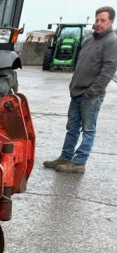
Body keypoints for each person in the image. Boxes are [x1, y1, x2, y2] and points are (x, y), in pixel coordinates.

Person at [44, 6, 117, 174]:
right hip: (76, 92)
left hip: (90, 95)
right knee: (72, 127)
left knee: (88, 130)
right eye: (97, 19)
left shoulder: (112, 41)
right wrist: (73, 85)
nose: (98, 23)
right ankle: (65, 157)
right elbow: (80, 65)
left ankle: (79, 163)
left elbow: (108, 70)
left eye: (103, 20)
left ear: (111, 21)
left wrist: (91, 91)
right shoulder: (89, 40)